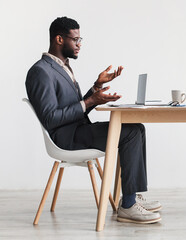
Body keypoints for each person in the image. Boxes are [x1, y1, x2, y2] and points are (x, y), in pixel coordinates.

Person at [25, 16, 162, 224]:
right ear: (59, 39)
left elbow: (75, 107)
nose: (80, 45)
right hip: (66, 138)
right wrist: (90, 101)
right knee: (131, 133)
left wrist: (96, 89)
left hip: (77, 130)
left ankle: (133, 195)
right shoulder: (40, 72)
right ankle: (128, 206)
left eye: (81, 40)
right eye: (76, 39)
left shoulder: (63, 66)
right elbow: (51, 118)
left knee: (137, 128)